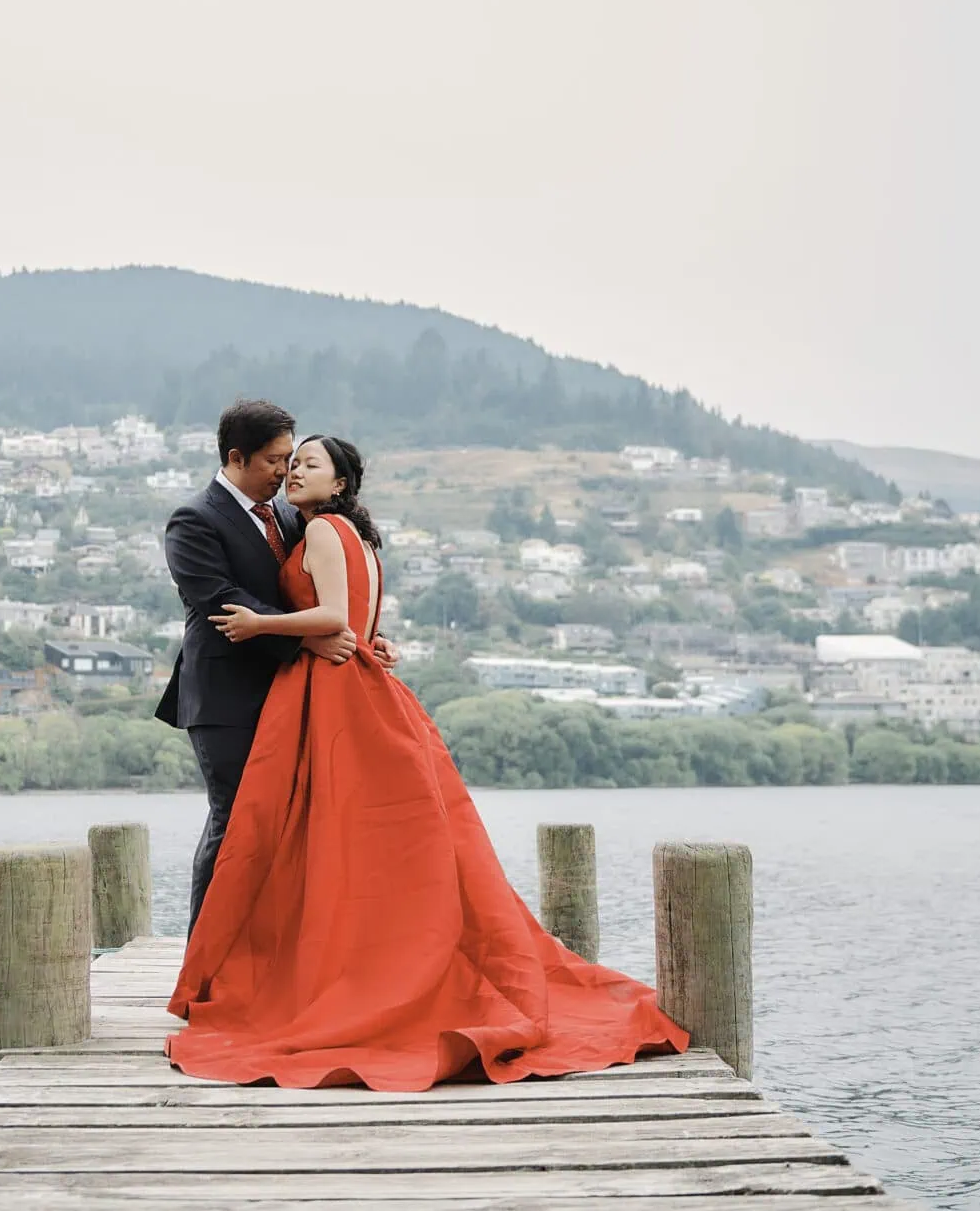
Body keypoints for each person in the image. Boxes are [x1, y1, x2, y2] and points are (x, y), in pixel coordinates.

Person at [165, 433, 690, 1091]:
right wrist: (360, 636)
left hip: (330, 688)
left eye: (307, 463)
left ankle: (329, 973)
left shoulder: (322, 530)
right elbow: (353, 614)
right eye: (288, 461)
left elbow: (334, 616)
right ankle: (351, 964)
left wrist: (263, 625)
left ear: (342, 483)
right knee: (340, 839)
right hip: (345, 683)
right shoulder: (351, 535)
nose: (293, 469)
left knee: (313, 836)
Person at [155, 399, 398, 934]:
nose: (286, 471)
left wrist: (366, 638)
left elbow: (320, 589)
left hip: (293, 696)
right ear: (237, 458)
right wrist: (311, 642)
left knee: (291, 829)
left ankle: (269, 959)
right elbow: (220, 601)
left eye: (293, 459)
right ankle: (204, 960)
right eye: (275, 460)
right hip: (224, 697)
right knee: (236, 822)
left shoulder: (294, 515)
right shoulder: (193, 521)